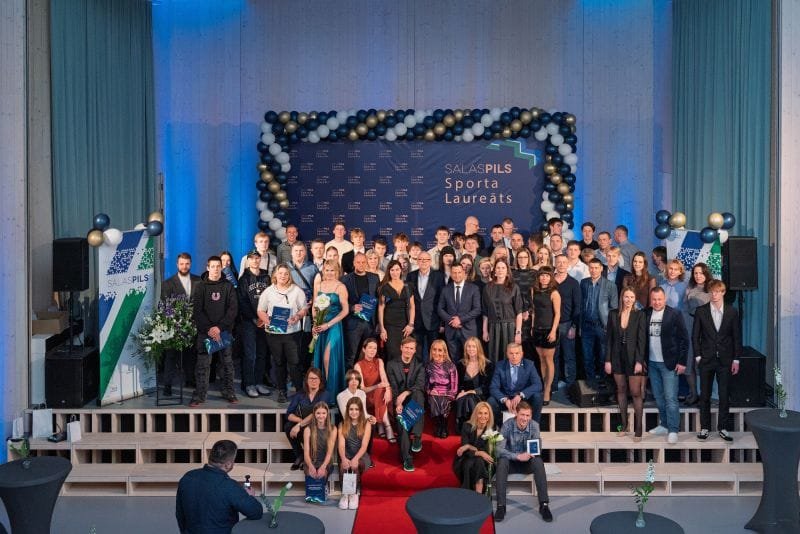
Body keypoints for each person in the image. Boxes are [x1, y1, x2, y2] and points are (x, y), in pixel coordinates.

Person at [176, 439, 262, 533]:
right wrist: (249, 496)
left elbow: (180, 514)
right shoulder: (230, 486)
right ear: (228, 465)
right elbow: (256, 512)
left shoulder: (188, 477)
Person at [693, 280, 742, 442]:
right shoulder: (701, 311)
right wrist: (698, 356)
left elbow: (737, 337)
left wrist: (736, 359)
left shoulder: (732, 312)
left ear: (723, 292)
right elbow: (695, 336)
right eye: (712, 292)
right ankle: (705, 428)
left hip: (726, 360)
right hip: (706, 360)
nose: (714, 295)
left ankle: (723, 428)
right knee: (705, 395)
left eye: (717, 292)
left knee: (724, 395)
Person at [494, 401, 553, 523]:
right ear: (516, 413)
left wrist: (531, 453)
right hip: (511, 462)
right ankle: (501, 506)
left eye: (528, 415)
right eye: (522, 415)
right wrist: (517, 456)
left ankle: (544, 505)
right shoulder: (507, 425)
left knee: (538, 461)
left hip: (527, 462)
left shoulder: (534, 426)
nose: (525, 419)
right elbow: (498, 450)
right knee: (502, 461)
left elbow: (537, 449)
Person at [191, 256, 238, 407]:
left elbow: (233, 309)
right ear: (207, 267)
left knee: (227, 364)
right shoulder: (200, 286)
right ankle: (199, 395)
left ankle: (229, 392)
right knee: (202, 366)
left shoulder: (228, 286)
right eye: (213, 266)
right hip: (205, 333)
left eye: (218, 266)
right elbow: (197, 311)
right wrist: (209, 329)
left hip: (223, 332)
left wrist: (219, 328)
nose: (216, 269)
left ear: (221, 267)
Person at [257, 263, 307, 404]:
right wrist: (267, 320)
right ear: (275, 275)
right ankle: (282, 391)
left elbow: (304, 309)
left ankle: (299, 391)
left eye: (286, 273)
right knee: (279, 363)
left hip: (292, 333)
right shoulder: (268, 291)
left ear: (289, 275)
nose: (283, 276)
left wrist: (297, 317)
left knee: (294, 363)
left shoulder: (297, 291)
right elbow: (261, 310)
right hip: (274, 334)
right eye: (280, 273)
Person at [646, 287, 689, 444]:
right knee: (658, 396)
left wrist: (682, 362)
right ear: (651, 300)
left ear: (664, 299)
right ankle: (664, 424)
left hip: (669, 363)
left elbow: (684, 339)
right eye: (654, 299)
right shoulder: (646, 313)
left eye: (659, 299)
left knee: (670, 398)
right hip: (652, 363)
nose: (657, 302)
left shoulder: (675, 314)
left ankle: (673, 429)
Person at [604, 287, 648, 441]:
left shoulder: (640, 315)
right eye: (626, 297)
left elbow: (642, 340)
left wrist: (639, 361)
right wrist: (608, 360)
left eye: (632, 297)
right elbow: (609, 339)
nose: (629, 300)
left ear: (635, 299)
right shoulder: (613, 314)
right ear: (622, 298)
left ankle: (639, 429)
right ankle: (624, 425)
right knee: (621, 390)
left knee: (635, 392)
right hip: (617, 358)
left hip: (634, 358)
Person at [160, 252, 201, 394]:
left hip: (194, 325)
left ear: (191, 264)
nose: (184, 266)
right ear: (177, 265)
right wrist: (174, 322)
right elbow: (165, 306)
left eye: (187, 263)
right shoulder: (168, 283)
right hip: (174, 326)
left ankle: (190, 379)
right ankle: (167, 385)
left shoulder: (199, 281)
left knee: (191, 355)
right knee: (171, 356)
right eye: (182, 264)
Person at [387, 337, 426, 472]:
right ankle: (407, 459)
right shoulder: (391, 364)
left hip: (414, 400)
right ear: (401, 348)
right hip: (399, 402)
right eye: (406, 348)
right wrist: (398, 403)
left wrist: (406, 393)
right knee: (402, 422)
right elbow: (393, 387)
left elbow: (420, 385)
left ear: (415, 350)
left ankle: (417, 436)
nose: (408, 350)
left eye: (411, 348)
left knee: (418, 394)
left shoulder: (419, 365)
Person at [312, 260, 349, 396]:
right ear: (323, 271)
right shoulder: (319, 285)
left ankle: (330, 393)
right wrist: (315, 323)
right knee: (320, 358)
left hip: (333, 326)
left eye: (332, 270)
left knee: (328, 359)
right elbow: (314, 306)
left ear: (337, 271)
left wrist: (328, 324)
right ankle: (321, 391)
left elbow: (345, 310)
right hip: (320, 325)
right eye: (327, 270)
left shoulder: (341, 287)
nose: (329, 273)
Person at [580, 259, 619, 385]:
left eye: (596, 267)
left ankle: (603, 384)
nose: (593, 270)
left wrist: (610, 326)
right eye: (591, 267)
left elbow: (614, 308)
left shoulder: (610, 285)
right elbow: (581, 304)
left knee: (603, 357)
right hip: (586, 325)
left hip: (602, 326)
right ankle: (590, 383)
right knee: (587, 357)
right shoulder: (584, 283)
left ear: (601, 268)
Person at [238, 249, 271, 398]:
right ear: (248, 261)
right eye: (252, 258)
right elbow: (242, 301)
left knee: (262, 353)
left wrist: (265, 318)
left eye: (257, 258)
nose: (255, 261)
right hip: (249, 322)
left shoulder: (266, 277)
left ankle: (258, 382)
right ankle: (248, 384)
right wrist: (254, 318)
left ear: (260, 260)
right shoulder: (243, 279)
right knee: (249, 354)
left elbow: (271, 297)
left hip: (264, 321)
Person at [285, 368, 331, 470]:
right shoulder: (300, 394)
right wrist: (300, 422)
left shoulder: (325, 394)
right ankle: (300, 455)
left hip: (317, 426)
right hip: (303, 424)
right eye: (311, 378)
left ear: (320, 380)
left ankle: (308, 458)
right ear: (306, 380)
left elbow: (316, 413)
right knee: (288, 426)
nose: (313, 381)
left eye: (316, 378)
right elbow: (288, 414)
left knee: (307, 429)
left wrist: (299, 425)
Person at [341, 252, 380, 370]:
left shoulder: (375, 278)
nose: (361, 264)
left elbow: (378, 300)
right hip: (353, 323)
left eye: (363, 262)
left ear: (366, 263)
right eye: (358, 262)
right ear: (354, 263)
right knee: (351, 355)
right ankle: (349, 380)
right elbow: (340, 301)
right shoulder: (345, 279)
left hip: (370, 323)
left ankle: (365, 379)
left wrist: (378, 323)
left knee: (369, 355)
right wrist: (352, 307)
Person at [489, 343, 544, 425]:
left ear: (522, 354)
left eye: (517, 353)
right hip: (506, 399)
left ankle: (534, 427)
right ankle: (502, 427)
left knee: (537, 396)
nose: (514, 356)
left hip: (522, 400)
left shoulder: (529, 365)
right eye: (511, 353)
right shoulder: (500, 366)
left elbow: (538, 385)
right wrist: (504, 399)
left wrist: (521, 395)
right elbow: (493, 387)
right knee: (491, 401)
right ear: (507, 354)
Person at [482, 259, 524, 364]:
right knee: (493, 356)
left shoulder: (514, 287)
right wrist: (485, 331)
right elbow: (485, 312)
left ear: (507, 271)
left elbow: (519, 312)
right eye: (498, 268)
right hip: (493, 327)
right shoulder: (487, 287)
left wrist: (518, 332)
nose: (500, 270)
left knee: (510, 356)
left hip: (509, 327)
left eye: (503, 268)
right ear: (494, 271)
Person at [682, 262, 712, 405]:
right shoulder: (689, 289)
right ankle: (693, 394)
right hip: (689, 329)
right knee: (689, 363)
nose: (698, 276)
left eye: (701, 273)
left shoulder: (711, 291)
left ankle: (705, 396)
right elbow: (684, 309)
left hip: (704, 332)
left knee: (703, 364)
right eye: (695, 273)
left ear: (706, 274)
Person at [437, 264, 482, 362]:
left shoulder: (473, 288)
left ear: (464, 273)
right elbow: (440, 309)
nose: (457, 275)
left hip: (468, 330)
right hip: (451, 330)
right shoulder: (446, 289)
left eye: (459, 272)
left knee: (471, 359)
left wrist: (460, 320)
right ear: (451, 274)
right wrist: (451, 320)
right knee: (454, 360)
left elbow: (477, 309)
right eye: (454, 273)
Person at [406, 251, 445, 363]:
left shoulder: (438, 276)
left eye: (426, 259)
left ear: (430, 261)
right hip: (416, 320)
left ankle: (432, 373)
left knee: (434, 352)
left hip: (433, 320)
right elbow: (408, 300)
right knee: (416, 352)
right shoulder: (411, 276)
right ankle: (418, 373)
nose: (423, 262)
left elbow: (442, 300)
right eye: (420, 259)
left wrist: (442, 323)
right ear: (417, 261)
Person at [354, 338, 395, 443]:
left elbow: (384, 379)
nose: (372, 350)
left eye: (375, 348)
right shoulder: (358, 365)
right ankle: (386, 424)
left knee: (381, 390)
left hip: (380, 394)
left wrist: (388, 390)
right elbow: (362, 389)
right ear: (364, 349)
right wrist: (377, 386)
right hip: (367, 396)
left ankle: (380, 423)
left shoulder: (379, 361)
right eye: (370, 348)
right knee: (379, 389)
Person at [531, 267, 561, 404]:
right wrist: (532, 327)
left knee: (549, 360)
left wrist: (553, 331)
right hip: (537, 329)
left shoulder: (554, 293)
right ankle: (543, 387)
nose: (544, 278)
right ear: (538, 277)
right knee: (541, 360)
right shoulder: (534, 291)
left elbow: (558, 314)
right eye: (542, 275)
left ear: (551, 278)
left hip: (549, 329)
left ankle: (548, 390)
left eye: (547, 276)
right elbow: (533, 311)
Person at [337, 397, 372, 510]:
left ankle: (354, 494)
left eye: (356, 409)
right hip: (346, 454)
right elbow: (341, 445)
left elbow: (364, 446)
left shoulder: (366, 424)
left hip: (361, 456)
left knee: (355, 466)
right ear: (347, 410)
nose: (354, 412)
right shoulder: (342, 424)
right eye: (351, 409)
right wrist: (343, 458)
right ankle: (344, 494)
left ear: (361, 410)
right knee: (343, 467)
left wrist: (355, 459)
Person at [452, 401, 494, 494]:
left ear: (489, 416)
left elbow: (487, 451)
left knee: (477, 462)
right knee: (471, 463)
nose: (483, 416)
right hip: (466, 457)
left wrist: (469, 446)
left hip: (483, 460)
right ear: (476, 414)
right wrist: (479, 452)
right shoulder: (466, 426)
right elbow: (465, 450)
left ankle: (467, 491)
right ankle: (479, 492)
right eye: (480, 413)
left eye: (486, 413)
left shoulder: (491, 430)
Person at [377, 260, 415, 361]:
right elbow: (381, 309)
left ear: (401, 270)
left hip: (405, 326)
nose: (395, 272)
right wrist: (382, 329)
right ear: (388, 271)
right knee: (392, 353)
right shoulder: (384, 287)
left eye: (397, 269)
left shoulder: (408, 286)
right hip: (390, 327)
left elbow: (412, 306)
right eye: (392, 270)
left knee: (405, 354)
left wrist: (411, 324)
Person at [553, 254, 581, 389]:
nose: (561, 265)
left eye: (564, 262)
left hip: (567, 324)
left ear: (568, 264)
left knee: (569, 356)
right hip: (551, 325)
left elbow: (577, 306)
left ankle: (570, 386)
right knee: (553, 356)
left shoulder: (573, 283)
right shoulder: (550, 281)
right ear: (555, 264)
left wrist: (574, 326)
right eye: (559, 262)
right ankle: (553, 384)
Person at [455, 337, 494, 431]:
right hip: (464, 395)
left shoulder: (487, 364)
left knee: (469, 398)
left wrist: (470, 392)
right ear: (465, 348)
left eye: (473, 346)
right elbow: (458, 383)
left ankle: (468, 427)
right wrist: (462, 391)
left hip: (480, 394)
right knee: (464, 398)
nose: (471, 349)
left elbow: (487, 386)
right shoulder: (460, 364)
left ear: (478, 348)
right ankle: (470, 427)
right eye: (468, 346)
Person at [287, 241, 317, 368]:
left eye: (301, 251)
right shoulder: (285, 268)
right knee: (291, 341)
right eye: (296, 251)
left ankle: (305, 369)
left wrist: (313, 300)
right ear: (291, 252)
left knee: (306, 340)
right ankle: (293, 371)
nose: (298, 253)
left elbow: (317, 288)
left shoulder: (312, 268)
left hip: (308, 310)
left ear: (305, 252)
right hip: (291, 310)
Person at [303, 401, 337, 503]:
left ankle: (323, 488)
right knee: (311, 474)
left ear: (327, 414)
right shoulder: (308, 429)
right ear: (314, 414)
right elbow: (306, 452)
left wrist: (323, 467)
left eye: (323, 413)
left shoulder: (332, 429)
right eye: (318, 413)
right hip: (311, 460)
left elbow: (330, 452)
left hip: (325, 461)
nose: (321, 416)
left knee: (322, 475)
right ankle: (313, 494)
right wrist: (311, 466)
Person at [426, 340, 458, 439]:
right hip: (434, 392)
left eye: (440, 350)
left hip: (447, 393)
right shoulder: (429, 365)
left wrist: (450, 395)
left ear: (444, 352)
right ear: (431, 351)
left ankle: (444, 426)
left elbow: (454, 385)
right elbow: (426, 383)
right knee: (433, 399)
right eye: (434, 349)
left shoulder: (451, 366)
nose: (437, 352)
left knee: (444, 401)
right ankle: (438, 425)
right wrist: (429, 391)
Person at [512, 249, 536, 358]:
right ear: (516, 259)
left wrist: (528, 311)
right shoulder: (512, 274)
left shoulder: (534, 274)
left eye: (525, 257)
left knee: (529, 347)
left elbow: (535, 296)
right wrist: (519, 312)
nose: (522, 260)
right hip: (515, 313)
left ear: (529, 259)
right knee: (516, 345)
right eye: (520, 257)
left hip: (530, 315)